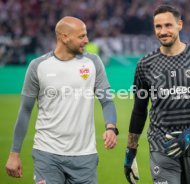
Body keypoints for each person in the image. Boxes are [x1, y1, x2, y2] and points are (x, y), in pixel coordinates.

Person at [5, 16, 118, 184]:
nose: (86, 40)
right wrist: (14, 153)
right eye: (81, 36)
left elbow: (107, 101)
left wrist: (111, 127)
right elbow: (25, 110)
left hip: (85, 157)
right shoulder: (38, 66)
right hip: (47, 154)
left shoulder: (93, 62)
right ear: (64, 37)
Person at [124, 4, 190, 184]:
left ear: (179, 25)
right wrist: (130, 151)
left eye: (168, 25)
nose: (163, 31)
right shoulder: (145, 64)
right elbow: (139, 110)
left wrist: (188, 135)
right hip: (161, 146)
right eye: (158, 26)